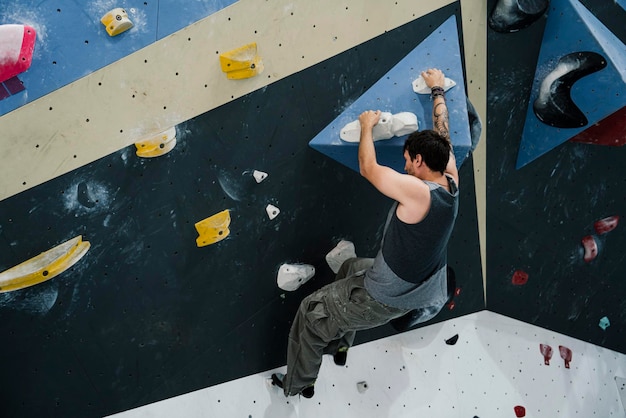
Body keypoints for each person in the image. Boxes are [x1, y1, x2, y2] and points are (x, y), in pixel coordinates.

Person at [271, 68, 460, 398]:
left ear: (419, 160)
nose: (404, 167)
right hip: (417, 285)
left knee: (311, 312)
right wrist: (437, 90)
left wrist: (366, 127)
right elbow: (442, 130)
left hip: (385, 297)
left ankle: (300, 384)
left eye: (407, 161)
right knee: (350, 269)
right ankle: (341, 344)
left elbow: (369, 169)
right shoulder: (450, 178)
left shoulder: (419, 193)